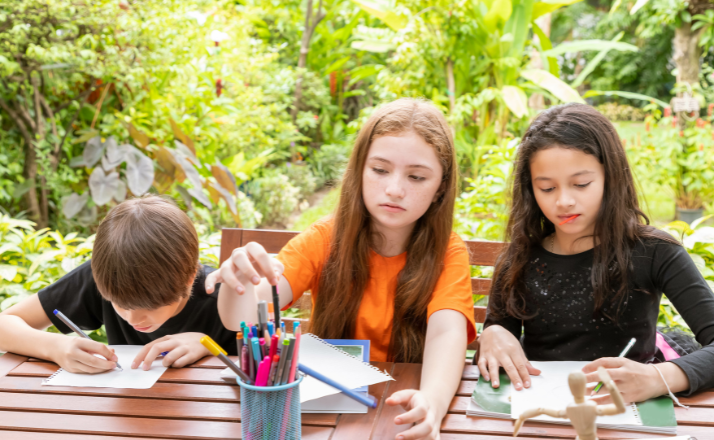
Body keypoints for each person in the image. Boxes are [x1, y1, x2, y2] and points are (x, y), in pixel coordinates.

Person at [208, 98, 476, 440]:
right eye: (379, 170)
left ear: (440, 188)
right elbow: (241, 318)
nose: (394, 189)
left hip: (403, 412)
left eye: (417, 176)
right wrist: (238, 283)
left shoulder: (448, 252)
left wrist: (434, 404)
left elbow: (447, 333)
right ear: (359, 170)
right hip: (325, 415)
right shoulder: (324, 238)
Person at [478, 103, 714, 404]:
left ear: (610, 177)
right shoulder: (519, 259)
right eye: (547, 188)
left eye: (581, 184)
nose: (564, 201)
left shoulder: (655, 253)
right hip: (540, 409)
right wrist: (494, 334)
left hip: (633, 409)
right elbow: (499, 346)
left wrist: (657, 378)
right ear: (530, 190)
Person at [0, 195, 237, 373]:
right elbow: (4, 325)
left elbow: (267, 364)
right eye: (119, 304)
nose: (133, 320)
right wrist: (55, 346)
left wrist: (210, 346)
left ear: (190, 276)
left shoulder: (224, 299)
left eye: (150, 306)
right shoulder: (109, 274)